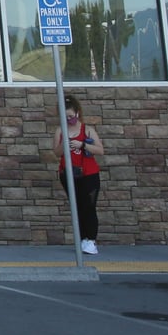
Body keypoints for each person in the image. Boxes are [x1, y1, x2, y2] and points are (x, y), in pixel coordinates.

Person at [54, 93, 105, 255]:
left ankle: (90, 239)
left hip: (89, 173)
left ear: (77, 113)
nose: (69, 119)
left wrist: (82, 145)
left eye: (71, 116)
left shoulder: (88, 130)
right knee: (77, 206)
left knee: (89, 206)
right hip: (69, 174)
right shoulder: (60, 131)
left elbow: (100, 150)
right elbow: (56, 152)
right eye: (65, 116)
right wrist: (65, 143)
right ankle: (82, 238)